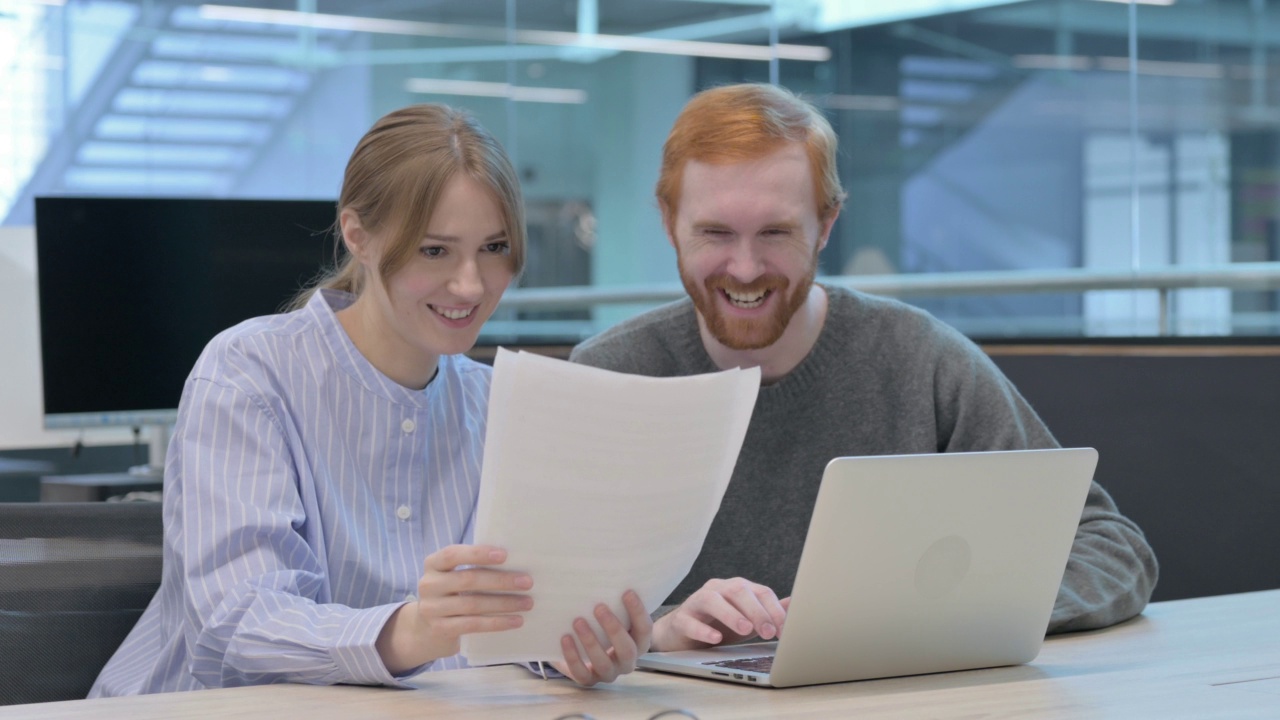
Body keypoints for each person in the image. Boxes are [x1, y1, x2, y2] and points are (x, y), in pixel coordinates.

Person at [569, 83, 1158, 653]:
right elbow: (544, 605)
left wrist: (935, 618)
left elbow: (1111, 549)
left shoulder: (920, 361)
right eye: (715, 233)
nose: (745, 268)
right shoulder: (606, 377)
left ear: (826, 224)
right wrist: (661, 630)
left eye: (776, 232)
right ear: (669, 223)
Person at [91, 104, 650, 697]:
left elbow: (510, 620)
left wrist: (568, 647)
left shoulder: (496, 404)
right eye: (435, 251)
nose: (472, 284)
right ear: (357, 235)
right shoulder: (248, 376)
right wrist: (413, 630)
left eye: (494, 247)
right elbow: (240, 624)